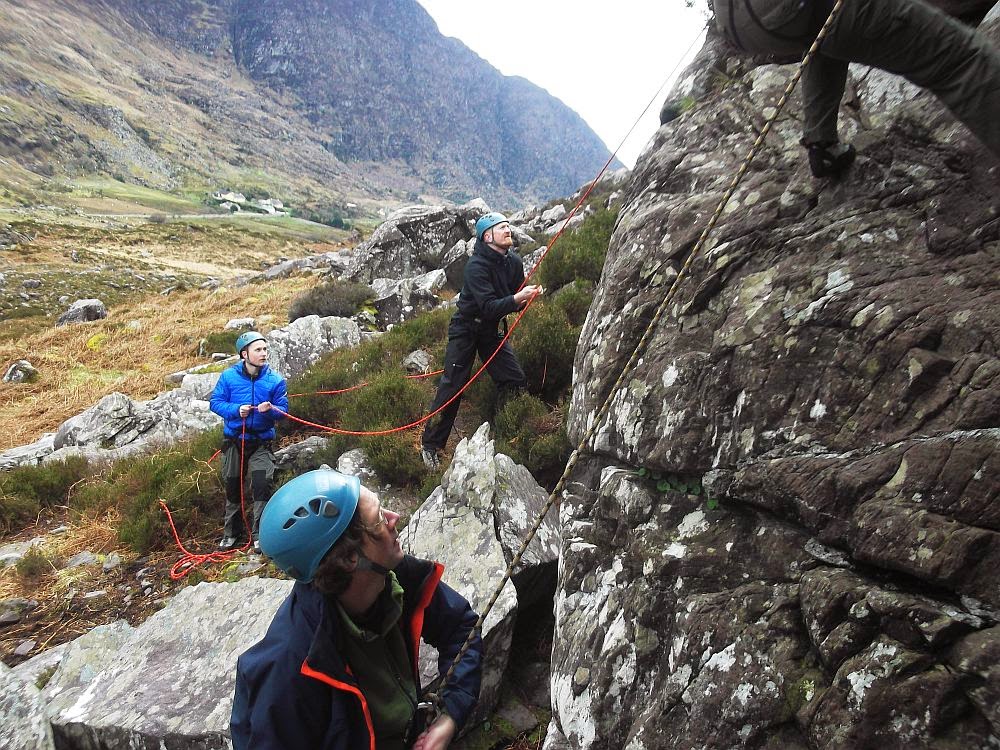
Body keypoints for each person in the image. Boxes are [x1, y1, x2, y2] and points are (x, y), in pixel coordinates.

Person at [231, 469, 483, 750]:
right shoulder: (291, 670)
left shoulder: (395, 577)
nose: (393, 518)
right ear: (351, 558)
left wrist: (449, 715)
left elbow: (461, 627)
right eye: (377, 520)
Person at [715, 0, 1000, 176]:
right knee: (962, 61)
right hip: (782, 8)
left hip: (740, 24)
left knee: (823, 30)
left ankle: (822, 143)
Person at [420, 212, 543, 470]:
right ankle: (431, 445)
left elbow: (512, 300)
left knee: (514, 380)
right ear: (487, 236)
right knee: (453, 385)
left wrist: (524, 300)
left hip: (491, 330)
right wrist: (517, 299)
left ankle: (505, 432)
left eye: (508, 226)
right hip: (466, 329)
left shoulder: (514, 263)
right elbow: (487, 306)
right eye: (502, 227)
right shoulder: (475, 266)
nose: (508, 230)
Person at [209, 331, 288, 553]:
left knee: (261, 486)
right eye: (258, 350)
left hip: (261, 444)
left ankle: (260, 535)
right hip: (234, 442)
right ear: (245, 354)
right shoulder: (228, 377)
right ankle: (231, 533)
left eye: (265, 349)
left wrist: (271, 410)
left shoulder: (275, 380)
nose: (264, 354)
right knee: (233, 486)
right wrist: (236, 410)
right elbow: (215, 403)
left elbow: (283, 411)